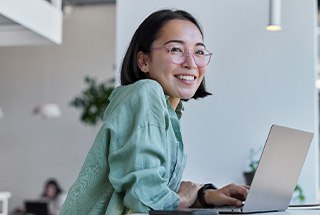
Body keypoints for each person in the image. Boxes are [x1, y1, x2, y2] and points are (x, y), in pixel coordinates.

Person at [60, 9, 248, 215]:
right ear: (144, 61)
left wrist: (206, 195)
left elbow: (155, 186)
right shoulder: (146, 93)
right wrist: (187, 198)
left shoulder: (168, 111)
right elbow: (146, 195)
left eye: (199, 52)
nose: (191, 62)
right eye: (176, 49)